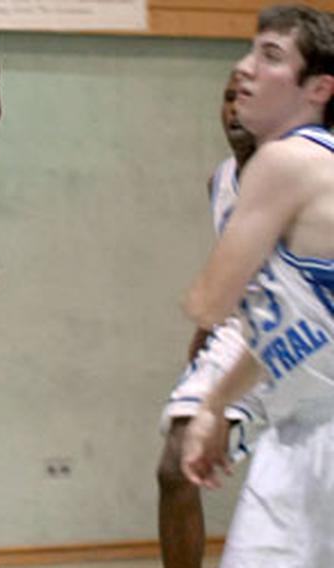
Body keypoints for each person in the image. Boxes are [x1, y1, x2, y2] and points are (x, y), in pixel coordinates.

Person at [182, 5, 334, 566]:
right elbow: (286, 326)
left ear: (319, 88)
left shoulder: (288, 163)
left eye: (270, 57)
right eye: (249, 50)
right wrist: (217, 405)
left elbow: (207, 302)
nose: (244, 68)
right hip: (301, 429)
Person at [155, 72, 263, 568]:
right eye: (227, 98)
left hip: (314, 338)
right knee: (177, 465)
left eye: (248, 97)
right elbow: (232, 259)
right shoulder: (220, 180)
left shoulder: (316, 169)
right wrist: (207, 325)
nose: (235, 110)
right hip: (244, 334)